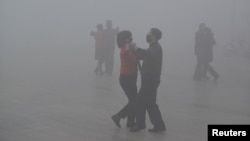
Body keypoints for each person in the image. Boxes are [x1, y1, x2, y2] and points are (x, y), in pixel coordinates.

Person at [129, 28, 166, 132]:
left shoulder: (156, 48)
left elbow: (148, 55)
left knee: (140, 101)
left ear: (154, 36)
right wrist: (133, 49)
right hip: (149, 79)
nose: (147, 35)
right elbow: (141, 56)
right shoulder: (152, 47)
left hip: (151, 80)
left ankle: (140, 124)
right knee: (150, 104)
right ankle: (159, 125)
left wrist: (136, 47)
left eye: (149, 34)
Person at [111, 30, 138, 128]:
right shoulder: (125, 50)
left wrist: (134, 48)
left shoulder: (127, 48)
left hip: (130, 77)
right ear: (124, 39)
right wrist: (134, 49)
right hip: (127, 79)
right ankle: (118, 116)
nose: (131, 38)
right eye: (129, 37)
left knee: (133, 100)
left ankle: (130, 122)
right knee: (135, 100)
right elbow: (135, 60)